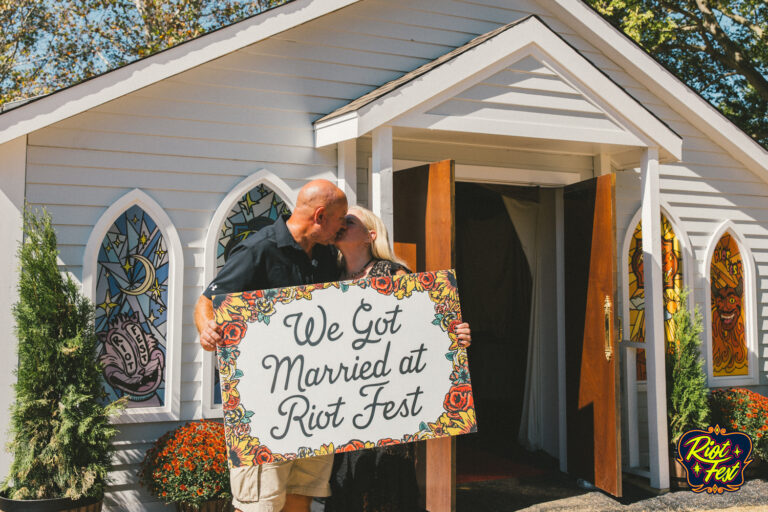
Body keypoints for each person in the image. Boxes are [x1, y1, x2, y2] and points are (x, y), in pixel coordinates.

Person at [194, 179, 348, 512]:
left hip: (314, 404)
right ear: (320, 215)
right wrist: (208, 329)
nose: (342, 227)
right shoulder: (258, 249)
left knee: (300, 494)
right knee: (259, 503)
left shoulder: (324, 256)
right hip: (263, 407)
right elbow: (206, 302)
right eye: (340, 220)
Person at [326, 206, 471, 512]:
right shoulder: (328, 279)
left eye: (349, 221)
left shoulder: (392, 274)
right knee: (344, 487)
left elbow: (424, 329)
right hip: (342, 403)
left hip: (387, 401)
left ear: (370, 236)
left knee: (384, 487)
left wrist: (454, 335)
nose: (341, 224)